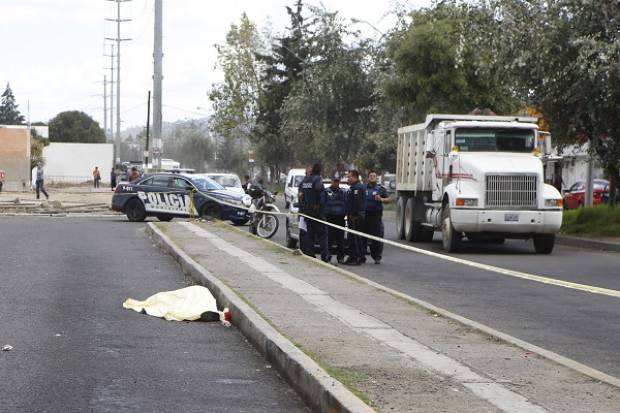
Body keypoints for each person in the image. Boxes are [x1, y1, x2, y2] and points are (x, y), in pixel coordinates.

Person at [299, 163, 329, 262]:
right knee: (323, 235)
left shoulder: (306, 180)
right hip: (317, 212)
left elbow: (301, 196)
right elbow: (320, 194)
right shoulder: (317, 180)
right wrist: (320, 207)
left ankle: (310, 255)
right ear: (320, 171)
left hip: (308, 211)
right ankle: (325, 258)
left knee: (310, 235)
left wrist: (304, 207)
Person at [363, 170, 390, 264]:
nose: (372, 178)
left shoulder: (381, 189)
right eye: (371, 176)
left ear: (376, 178)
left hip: (376, 216)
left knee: (376, 237)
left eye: (374, 176)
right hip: (365, 216)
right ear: (368, 177)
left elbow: (388, 199)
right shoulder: (363, 188)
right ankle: (361, 256)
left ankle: (376, 256)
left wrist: (381, 199)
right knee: (363, 237)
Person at [322, 174, 347, 264]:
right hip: (329, 219)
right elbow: (323, 203)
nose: (336, 183)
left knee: (340, 240)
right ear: (331, 181)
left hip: (340, 219)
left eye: (337, 181)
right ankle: (328, 256)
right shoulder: (326, 191)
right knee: (329, 240)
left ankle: (340, 257)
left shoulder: (343, 192)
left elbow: (345, 204)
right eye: (334, 181)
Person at [344, 169, 366, 265]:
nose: (347, 179)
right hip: (351, 216)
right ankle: (352, 256)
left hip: (356, 217)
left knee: (357, 238)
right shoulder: (352, 188)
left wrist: (354, 215)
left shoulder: (358, 188)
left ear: (355, 177)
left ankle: (359, 257)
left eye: (349, 177)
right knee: (351, 238)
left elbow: (358, 204)